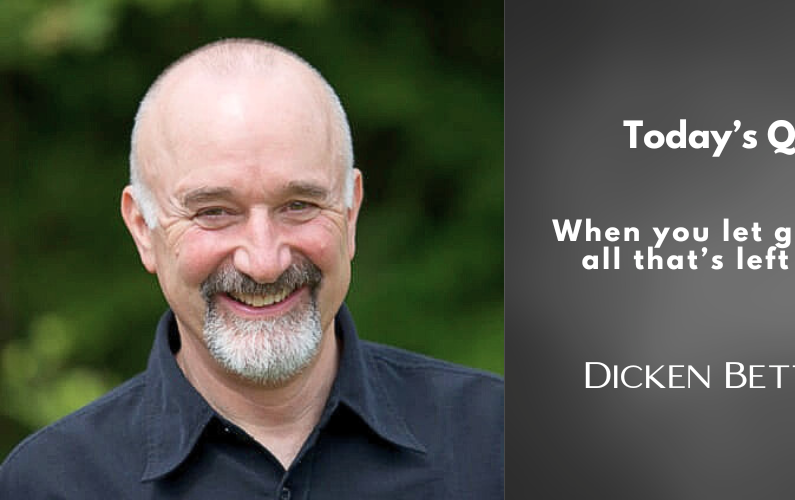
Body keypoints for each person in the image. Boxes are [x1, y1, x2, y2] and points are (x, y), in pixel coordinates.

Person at [0, 39, 503, 498]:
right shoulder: (50, 485)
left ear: (350, 214)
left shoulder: (502, 443)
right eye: (214, 212)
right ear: (141, 229)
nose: (264, 261)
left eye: (300, 205)